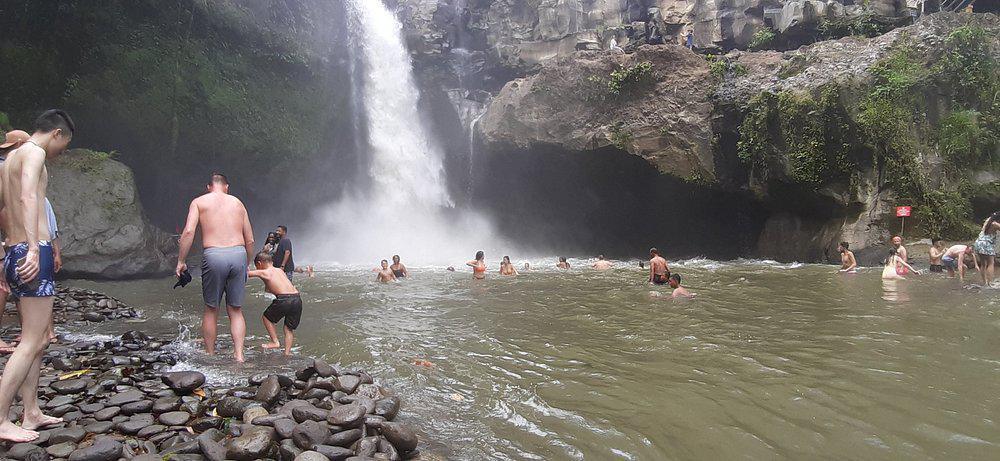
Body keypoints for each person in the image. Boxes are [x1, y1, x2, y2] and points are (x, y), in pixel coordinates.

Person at [0, 109, 75, 442]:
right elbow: (28, 196)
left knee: (40, 337)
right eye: (64, 144)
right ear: (57, 133)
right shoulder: (33, 153)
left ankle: (30, 411)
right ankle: (2, 419)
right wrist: (33, 249)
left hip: (13, 248)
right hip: (33, 251)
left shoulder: (10, 160)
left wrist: (10, 251)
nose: (61, 152)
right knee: (31, 340)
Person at [176, 173, 255, 363]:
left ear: (209, 187)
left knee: (211, 309)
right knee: (235, 310)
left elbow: (188, 231)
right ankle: (239, 355)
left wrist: (181, 260)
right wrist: (247, 263)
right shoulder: (238, 203)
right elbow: (250, 239)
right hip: (238, 254)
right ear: (226, 187)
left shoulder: (199, 202)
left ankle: (210, 353)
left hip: (214, 254)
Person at [248, 251, 301, 356]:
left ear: (259, 263)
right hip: (297, 299)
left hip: (284, 299)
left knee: (266, 317)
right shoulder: (280, 271)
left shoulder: (265, 272)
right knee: (288, 328)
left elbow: (247, 274)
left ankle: (275, 342)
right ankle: (287, 352)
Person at [973, 212, 1000, 286]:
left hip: (978, 243)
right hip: (986, 244)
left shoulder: (988, 221)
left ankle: (985, 282)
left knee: (983, 264)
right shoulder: (995, 224)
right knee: (991, 263)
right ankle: (990, 283)